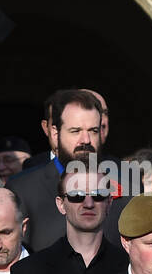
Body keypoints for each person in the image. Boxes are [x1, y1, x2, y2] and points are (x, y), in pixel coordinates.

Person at [8, 89, 116, 251]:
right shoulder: (22, 189)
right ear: (54, 132)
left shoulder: (128, 182)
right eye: (76, 131)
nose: (85, 140)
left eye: (93, 131)